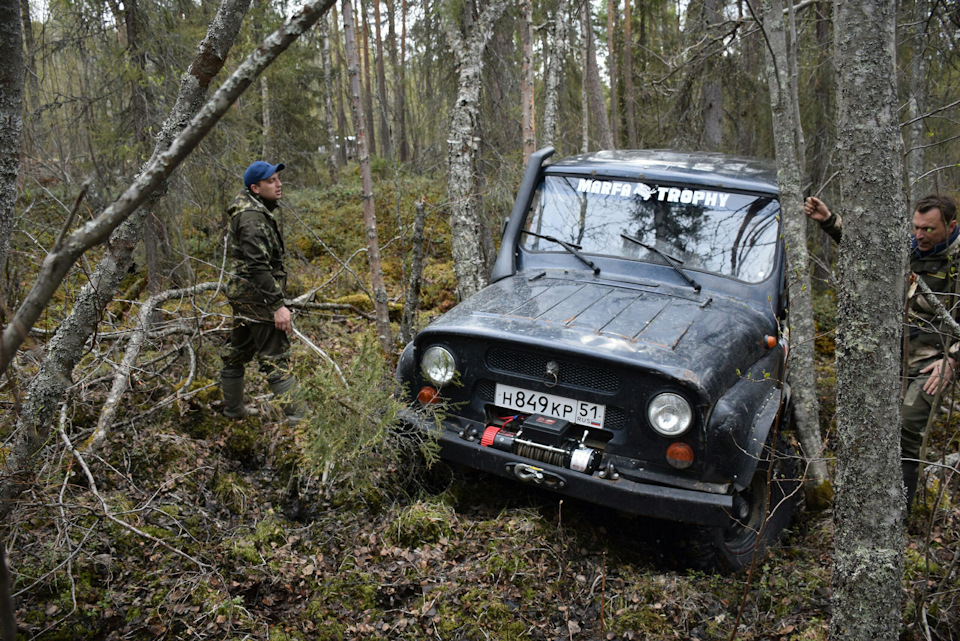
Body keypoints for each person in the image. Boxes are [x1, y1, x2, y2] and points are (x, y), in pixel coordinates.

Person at [805, 193, 960, 510]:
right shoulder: (912, 247)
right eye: (916, 227)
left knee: (906, 429)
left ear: (952, 226)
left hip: (933, 365)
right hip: (892, 357)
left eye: (929, 229)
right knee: (870, 425)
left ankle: (898, 517)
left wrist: (953, 361)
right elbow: (870, 252)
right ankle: (868, 505)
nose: (920, 235)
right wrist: (829, 221)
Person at [220, 160, 303, 423]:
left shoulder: (254, 211)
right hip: (257, 298)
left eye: (278, 179)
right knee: (276, 357)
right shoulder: (251, 219)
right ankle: (301, 421)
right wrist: (277, 306)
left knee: (237, 351)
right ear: (255, 188)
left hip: (245, 295)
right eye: (271, 181)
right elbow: (258, 266)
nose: (278, 184)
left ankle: (233, 410)